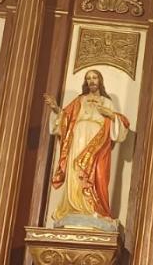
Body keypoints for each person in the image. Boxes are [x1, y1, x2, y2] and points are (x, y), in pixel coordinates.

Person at [45, 70, 129, 228]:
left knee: (97, 174)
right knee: (75, 171)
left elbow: (119, 127)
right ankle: (74, 207)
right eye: (88, 78)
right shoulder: (79, 100)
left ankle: (93, 208)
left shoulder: (107, 102)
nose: (92, 81)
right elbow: (64, 118)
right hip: (77, 139)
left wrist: (110, 115)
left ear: (100, 80)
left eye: (95, 77)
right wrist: (56, 109)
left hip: (97, 143)